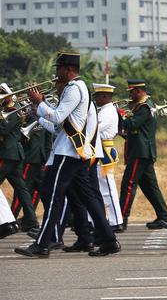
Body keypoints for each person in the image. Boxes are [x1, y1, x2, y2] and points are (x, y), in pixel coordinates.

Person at [15, 51, 119, 258]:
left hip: (69, 153)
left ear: (69, 69)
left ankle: (42, 245)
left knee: (54, 196)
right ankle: (109, 241)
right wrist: (38, 112)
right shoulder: (75, 88)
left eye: (59, 69)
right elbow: (59, 127)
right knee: (88, 198)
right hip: (73, 151)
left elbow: (57, 117)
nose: (57, 74)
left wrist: (40, 102)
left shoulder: (74, 88)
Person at [118, 80, 167, 231]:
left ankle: (121, 219)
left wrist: (121, 115)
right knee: (149, 187)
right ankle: (163, 216)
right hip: (141, 151)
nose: (130, 96)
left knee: (128, 184)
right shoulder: (141, 106)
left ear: (138, 91)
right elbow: (133, 131)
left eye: (132, 92)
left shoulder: (144, 107)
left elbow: (132, 124)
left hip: (140, 152)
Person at [0, 89, 37, 232]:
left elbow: (4, 130)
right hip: (12, 155)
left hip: (9, 154)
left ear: (9, 96)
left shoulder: (13, 111)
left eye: (2, 95)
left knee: (22, 189)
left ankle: (6, 222)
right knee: (22, 190)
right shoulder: (7, 111)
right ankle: (32, 220)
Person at [92, 83, 125, 231]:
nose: (96, 99)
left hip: (104, 151)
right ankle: (103, 221)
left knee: (108, 188)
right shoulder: (105, 110)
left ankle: (116, 221)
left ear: (105, 96)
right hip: (101, 150)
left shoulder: (107, 112)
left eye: (98, 96)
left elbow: (94, 128)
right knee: (100, 188)